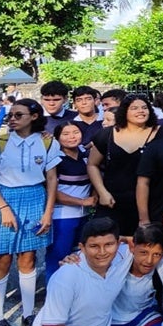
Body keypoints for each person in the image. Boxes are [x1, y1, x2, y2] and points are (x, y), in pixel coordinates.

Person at [0, 98, 60, 326]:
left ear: (34, 117)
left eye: (18, 115)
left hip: (35, 197)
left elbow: (52, 179)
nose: (12, 119)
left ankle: (28, 313)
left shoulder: (47, 142)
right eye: (10, 115)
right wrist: (3, 208)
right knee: (2, 259)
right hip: (4, 197)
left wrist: (48, 212)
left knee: (28, 258)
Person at [89, 94, 163, 236]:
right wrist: (102, 192)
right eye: (134, 108)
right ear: (124, 112)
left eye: (144, 107)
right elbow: (92, 164)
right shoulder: (106, 135)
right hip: (113, 201)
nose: (141, 111)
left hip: (151, 203)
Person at [46, 120, 96, 281]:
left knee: (78, 256)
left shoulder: (85, 154)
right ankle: (53, 291)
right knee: (58, 257)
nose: (72, 137)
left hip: (84, 215)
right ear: (57, 138)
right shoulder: (54, 158)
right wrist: (82, 202)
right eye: (66, 134)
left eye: (76, 132)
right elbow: (52, 191)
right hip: (63, 216)